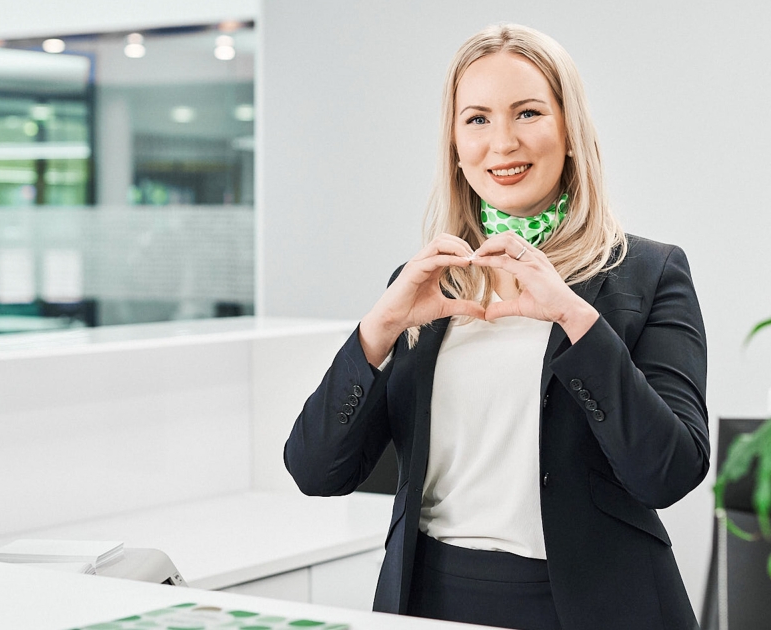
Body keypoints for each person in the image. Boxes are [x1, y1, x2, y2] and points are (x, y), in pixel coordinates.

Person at [284, 23, 708, 630]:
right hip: (431, 599)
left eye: (527, 113)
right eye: (477, 119)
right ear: (455, 146)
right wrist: (377, 330)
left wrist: (574, 318)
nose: (502, 142)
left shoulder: (648, 272)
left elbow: (668, 473)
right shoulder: (423, 285)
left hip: (592, 606)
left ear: (570, 132)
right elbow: (315, 470)